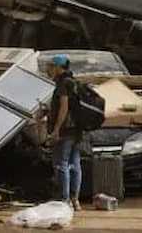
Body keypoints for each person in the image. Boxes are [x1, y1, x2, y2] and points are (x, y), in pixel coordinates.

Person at [45, 54, 83, 211]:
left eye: (51, 66)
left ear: (58, 67)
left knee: (62, 164)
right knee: (75, 165)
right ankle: (75, 200)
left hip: (65, 131)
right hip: (77, 130)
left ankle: (64, 200)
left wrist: (56, 130)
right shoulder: (74, 82)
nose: (48, 70)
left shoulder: (62, 83)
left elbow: (64, 107)